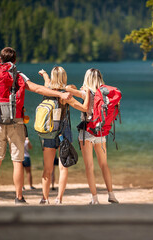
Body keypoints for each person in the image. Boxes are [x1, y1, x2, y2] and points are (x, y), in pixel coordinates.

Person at [0, 47, 71, 205]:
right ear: (15, 61)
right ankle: (19, 197)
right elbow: (37, 88)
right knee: (17, 161)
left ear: (0, 60)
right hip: (17, 123)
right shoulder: (18, 75)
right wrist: (60, 94)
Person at [65, 68, 119, 204]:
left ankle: (94, 199)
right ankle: (111, 195)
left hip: (87, 132)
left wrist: (67, 87)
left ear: (87, 78)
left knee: (89, 166)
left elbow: (68, 90)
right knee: (104, 164)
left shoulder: (85, 92)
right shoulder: (105, 94)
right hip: (101, 131)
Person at [38, 66, 89, 204]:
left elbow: (47, 80)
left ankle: (44, 198)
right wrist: (87, 94)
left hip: (48, 132)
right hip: (63, 133)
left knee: (47, 169)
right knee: (63, 167)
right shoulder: (65, 94)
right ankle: (59, 198)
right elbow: (83, 108)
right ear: (64, 77)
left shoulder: (47, 89)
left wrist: (44, 74)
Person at [23, 126, 35, 190]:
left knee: (20, 172)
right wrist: (28, 141)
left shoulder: (18, 139)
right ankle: (30, 186)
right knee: (28, 172)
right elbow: (30, 147)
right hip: (27, 157)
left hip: (20, 157)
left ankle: (22, 186)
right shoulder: (26, 140)